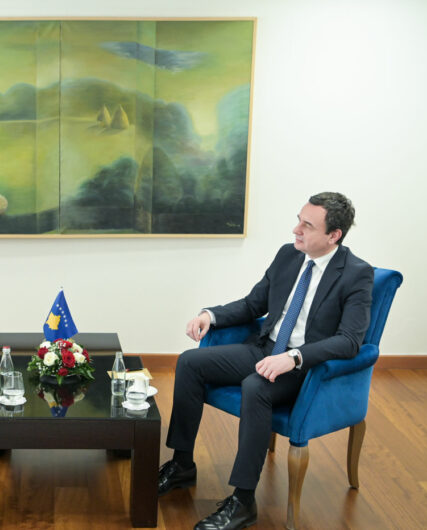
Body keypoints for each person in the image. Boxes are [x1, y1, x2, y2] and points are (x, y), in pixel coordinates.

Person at [159, 192, 373, 530]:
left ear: (334, 235)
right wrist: (210, 315)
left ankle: (243, 501)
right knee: (190, 362)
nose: (296, 230)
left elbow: (350, 341)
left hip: (304, 369)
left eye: (307, 225)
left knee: (255, 386)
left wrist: (294, 357)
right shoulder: (289, 255)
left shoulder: (356, 274)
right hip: (264, 349)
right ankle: (182, 464)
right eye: (299, 220)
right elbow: (252, 304)